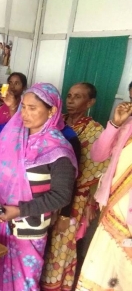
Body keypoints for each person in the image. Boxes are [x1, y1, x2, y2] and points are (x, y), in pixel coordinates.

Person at [0, 83, 78, 291]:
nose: (25, 114)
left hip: (28, 230)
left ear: (52, 111)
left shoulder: (59, 149)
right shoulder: (12, 139)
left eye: (33, 108)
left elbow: (61, 196)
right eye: (23, 107)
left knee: (24, 283)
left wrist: (19, 211)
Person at [41, 83, 109, 290]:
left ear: (90, 103)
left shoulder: (96, 131)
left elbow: (93, 169)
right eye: (69, 96)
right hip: (48, 192)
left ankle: (56, 285)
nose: (71, 100)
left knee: (61, 246)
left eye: (78, 97)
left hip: (75, 199)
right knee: (43, 242)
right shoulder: (55, 123)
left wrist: (68, 211)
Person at [75, 101, 132, 290]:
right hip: (113, 213)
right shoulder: (127, 127)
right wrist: (115, 125)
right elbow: (97, 155)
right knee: (100, 272)